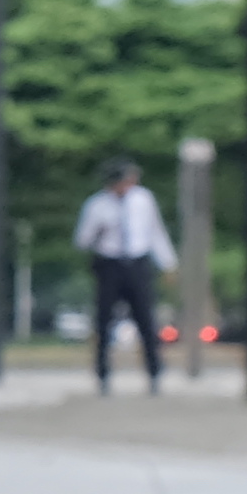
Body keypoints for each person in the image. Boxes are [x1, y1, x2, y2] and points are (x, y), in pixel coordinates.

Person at [77, 157, 173, 393]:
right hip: (109, 263)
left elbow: (154, 232)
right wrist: (98, 229)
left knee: (146, 320)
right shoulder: (97, 205)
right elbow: (82, 240)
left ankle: (154, 372)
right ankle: (103, 375)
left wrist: (168, 262)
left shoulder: (143, 200)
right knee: (104, 321)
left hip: (137, 263)